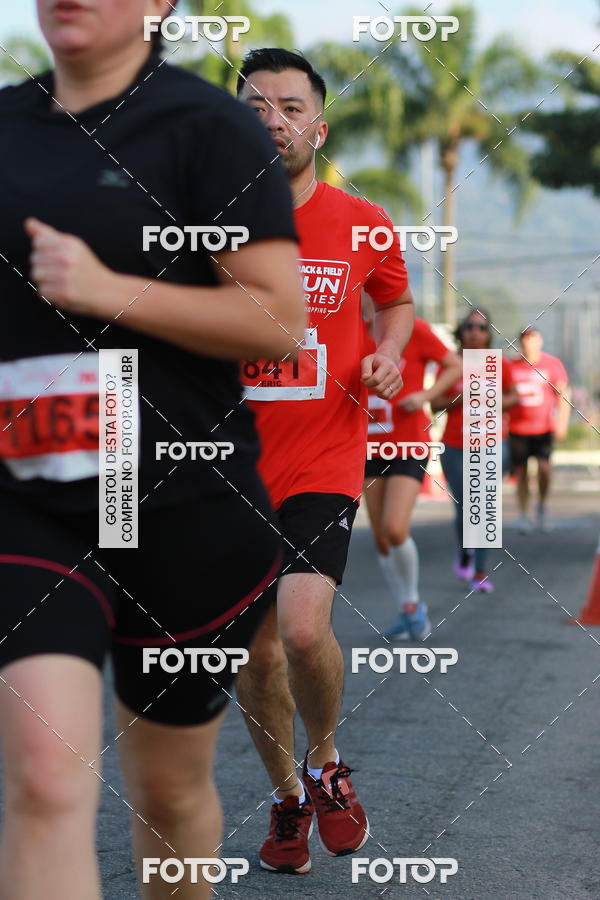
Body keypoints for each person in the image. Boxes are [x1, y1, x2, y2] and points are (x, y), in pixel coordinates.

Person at [0, 3, 305, 898]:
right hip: (30, 493)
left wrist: (105, 289)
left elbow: (276, 318)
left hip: (183, 500)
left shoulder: (205, 125)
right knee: (44, 771)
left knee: (168, 792)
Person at [235, 49, 414, 875]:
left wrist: (388, 353)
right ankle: (286, 797)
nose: (273, 119)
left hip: (323, 460)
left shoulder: (363, 221)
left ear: (319, 124)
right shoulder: (197, 222)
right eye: (256, 105)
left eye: (291, 106)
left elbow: (397, 303)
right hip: (225, 470)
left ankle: (326, 763)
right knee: (255, 655)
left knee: (304, 631)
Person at [363, 308, 461, 639]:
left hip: (407, 444)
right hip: (365, 445)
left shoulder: (412, 328)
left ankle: (414, 605)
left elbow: (454, 365)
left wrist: (425, 396)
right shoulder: (349, 328)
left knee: (394, 527)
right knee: (380, 536)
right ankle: (407, 608)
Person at [431, 309, 518, 592]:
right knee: (465, 507)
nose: (474, 332)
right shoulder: (451, 363)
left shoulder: (498, 363)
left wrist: (491, 399)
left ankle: (480, 571)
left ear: (488, 332)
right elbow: (434, 404)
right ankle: (465, 552)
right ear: (461, 330)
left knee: (483, 507)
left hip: (491, 442)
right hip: (456, 444)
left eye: (480, 327)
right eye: (468, 326)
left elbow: (514, 396)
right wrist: (462, 397)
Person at [506, 326, 570, 532]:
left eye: (532, 338)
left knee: (544, 468)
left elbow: (563, 394)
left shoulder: (552, 364)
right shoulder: (511, 366)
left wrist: (562, 421)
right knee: (521, 471)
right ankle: (524, 514)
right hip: (517, 428)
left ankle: (541, 505)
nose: (528, 342)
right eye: (525, 338)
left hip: (543, 428)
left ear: (539, 341)